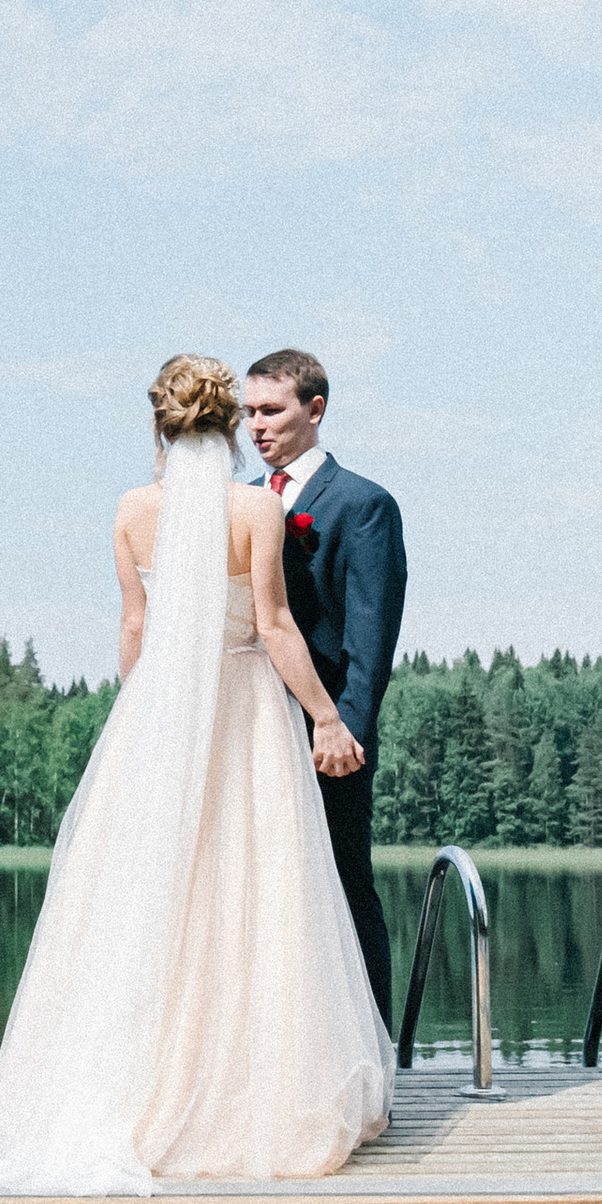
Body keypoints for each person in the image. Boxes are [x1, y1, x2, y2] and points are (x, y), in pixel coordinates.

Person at [0, 354, 391, 1191]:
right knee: (256, 895)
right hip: (243, 712)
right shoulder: (251, 511)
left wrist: (146, 717)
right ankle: (248, 1089)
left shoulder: (131, 511)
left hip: (157, 714)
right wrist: (326, 714)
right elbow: (274, 628)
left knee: (141, 900)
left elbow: (135, 628)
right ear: (231, 426)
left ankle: (127, 1083)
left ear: (158, 426)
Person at [241, 348, 407, 1025]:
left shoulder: (363, 504)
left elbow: (371, 634)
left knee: (344, 886)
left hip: (326, 733)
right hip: (251, 726)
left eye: (271, 411)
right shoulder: (244, 503)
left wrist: (347, 731)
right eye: (248, 413)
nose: (256, 426)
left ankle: (373, 1058)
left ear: (315, 409)